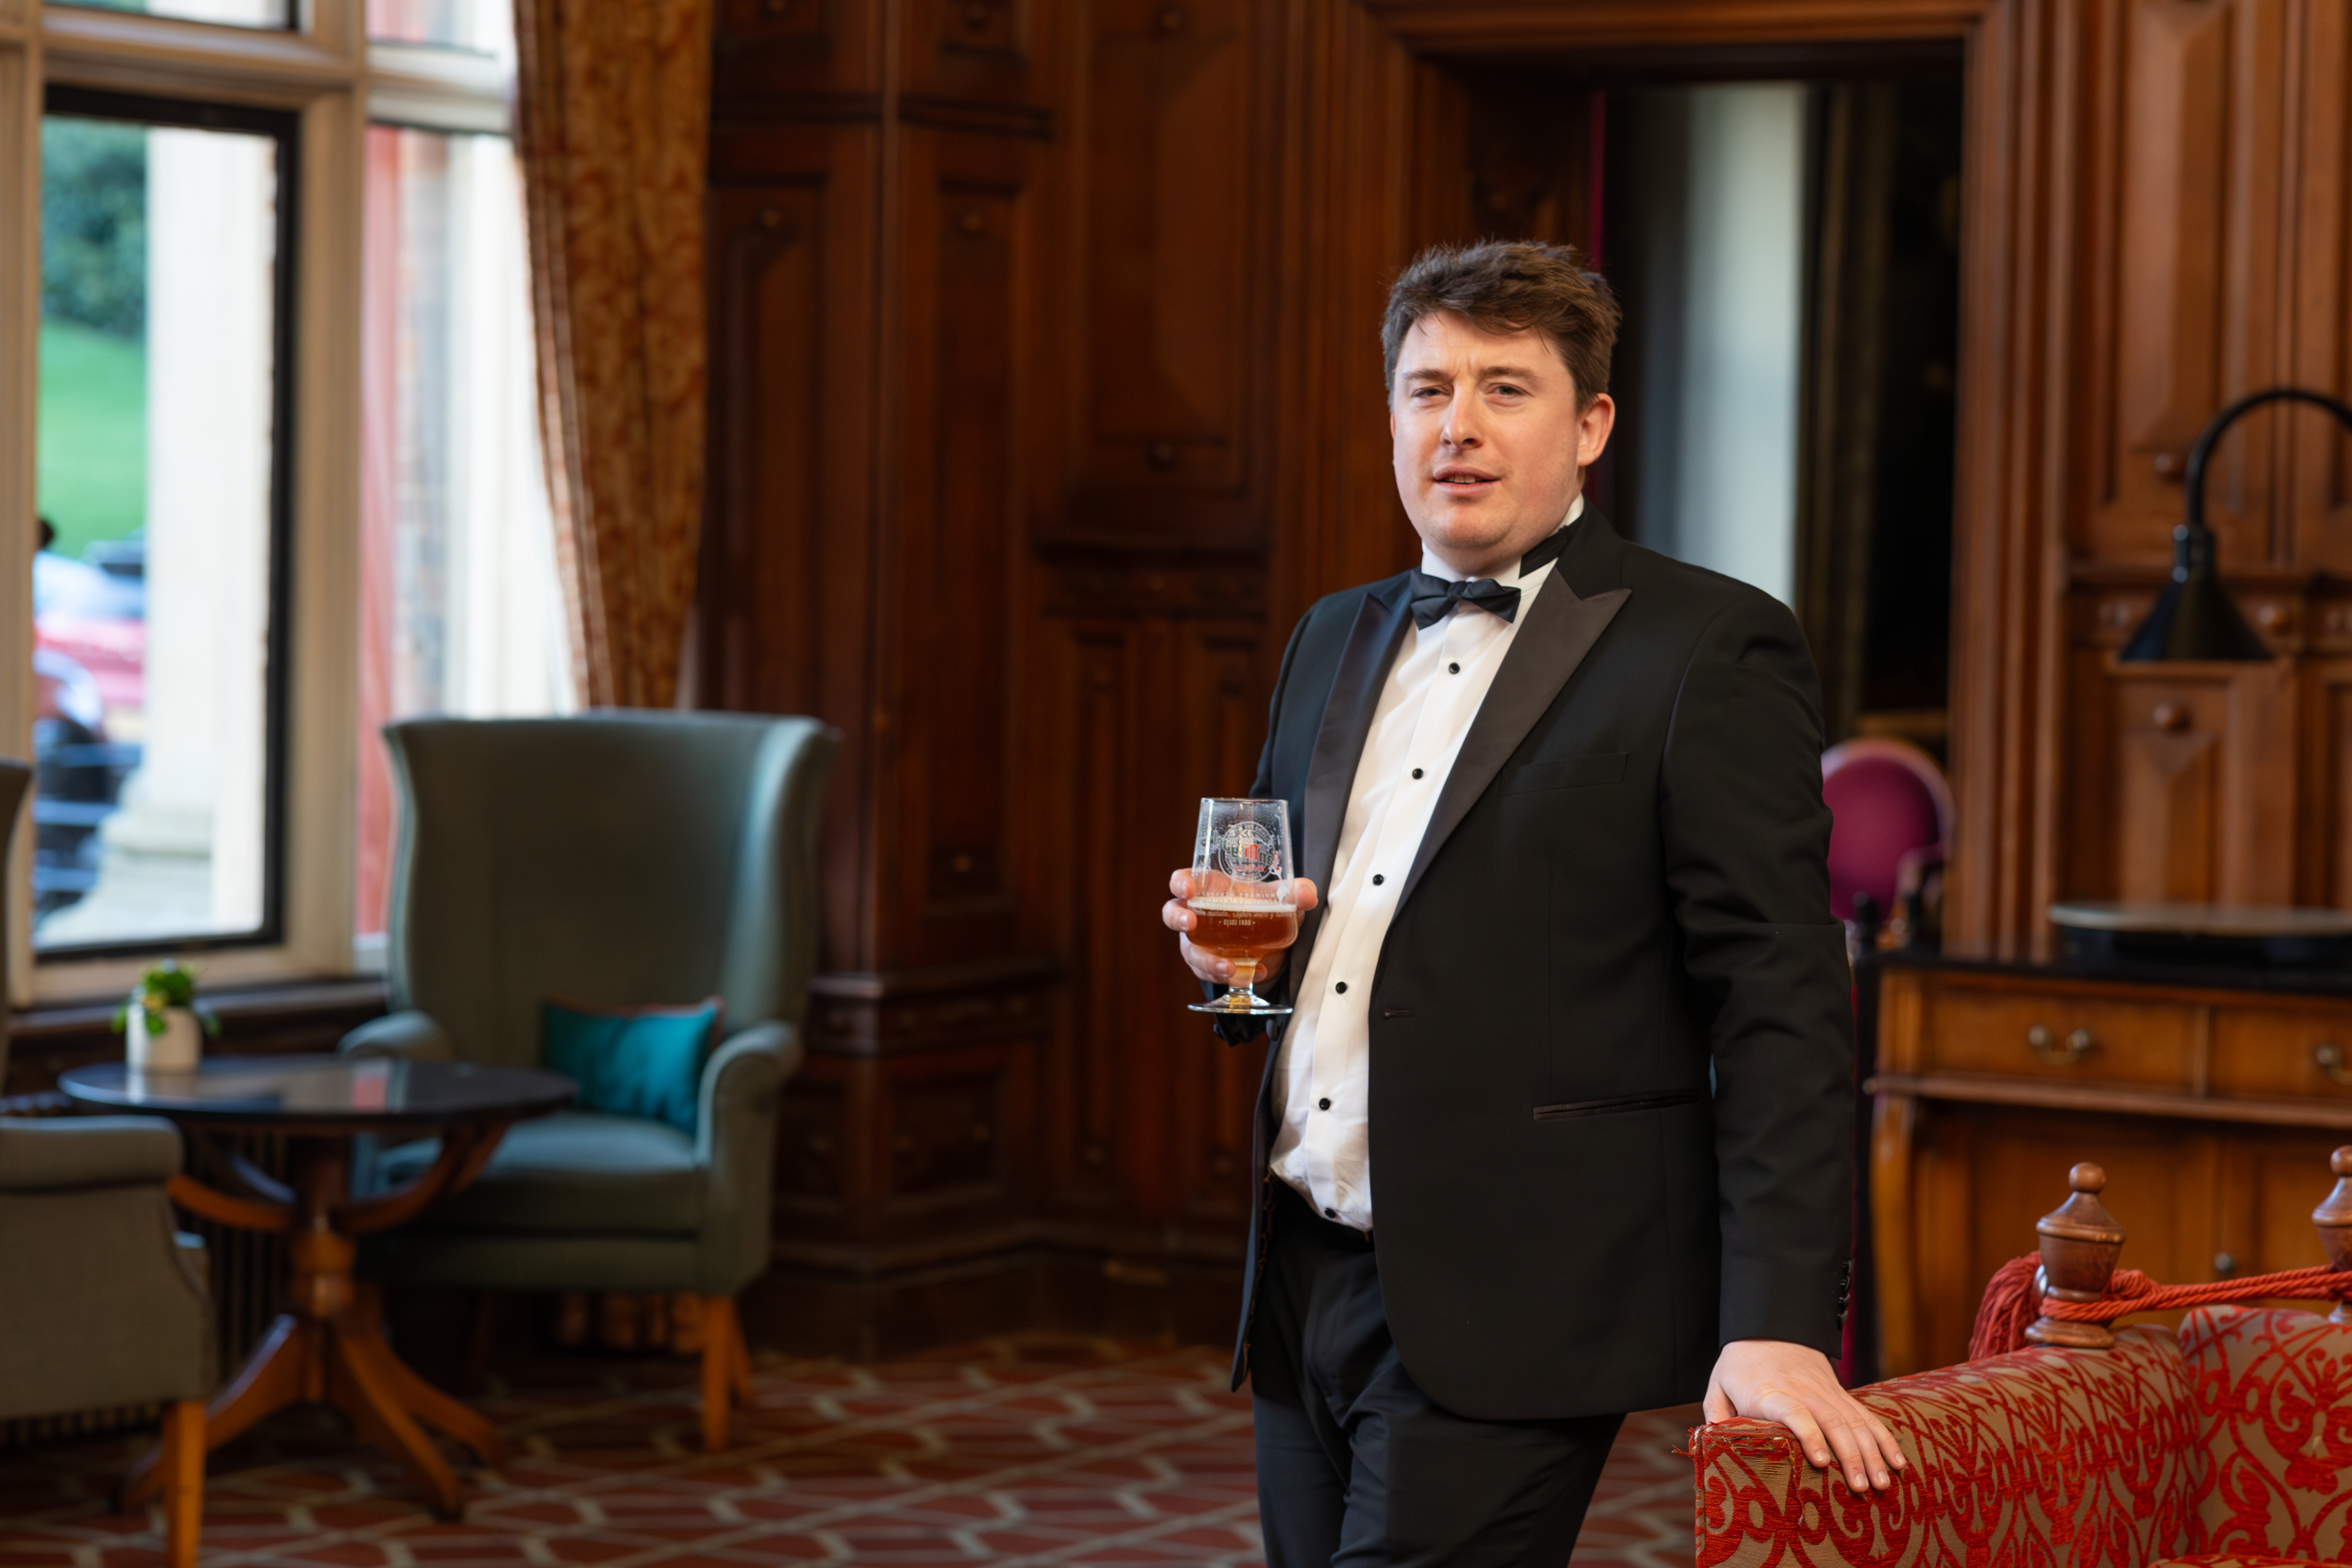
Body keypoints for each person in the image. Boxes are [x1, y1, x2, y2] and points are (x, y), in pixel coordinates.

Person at [1159, 240, 1904, 1567]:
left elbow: (1782, 1003)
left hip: (1522, 1285)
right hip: (1302, 1268)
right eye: (1427, 389)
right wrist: (1239, 967)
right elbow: (1317, 928)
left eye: (1504, 388)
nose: (1458, 425)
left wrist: (1782, 1319)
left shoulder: (1707, 644)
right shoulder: (1329, 632)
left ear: (1590, 425)